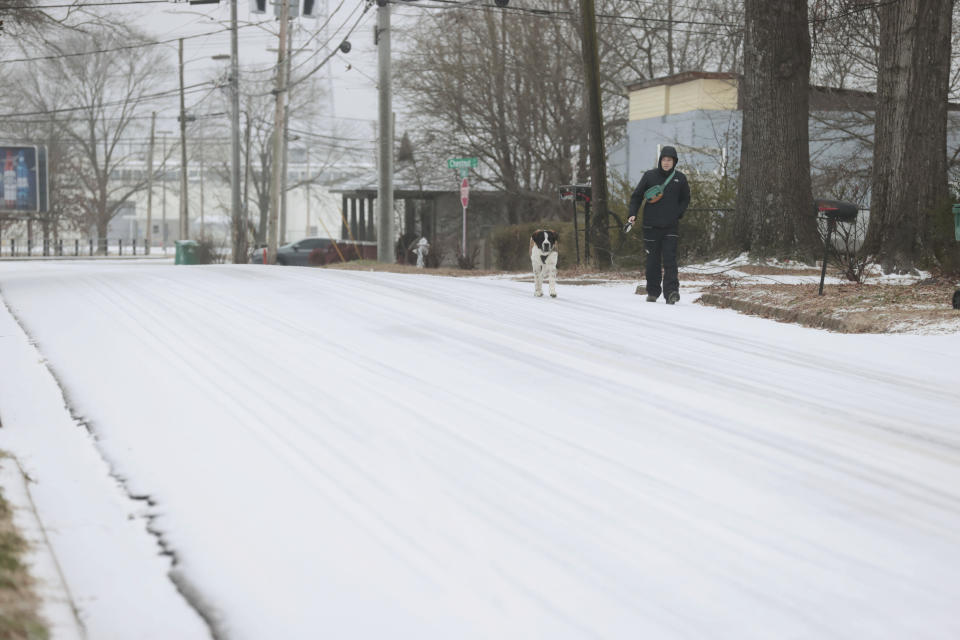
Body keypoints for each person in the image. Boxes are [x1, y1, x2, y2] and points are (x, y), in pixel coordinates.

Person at [627, 146, 690, 304]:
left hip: (670, 226)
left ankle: (671, 292)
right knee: (652, 261)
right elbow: (636, 197)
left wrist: (678, 213)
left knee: (670, 260)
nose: (666, 162)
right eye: (664, 159)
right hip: (650, 226)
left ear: (674, 162)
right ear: (660, 160)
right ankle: (653, 291)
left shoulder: (680, 178)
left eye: (670, 160)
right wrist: (632, 214)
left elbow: (685, 198)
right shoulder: (650, 176)